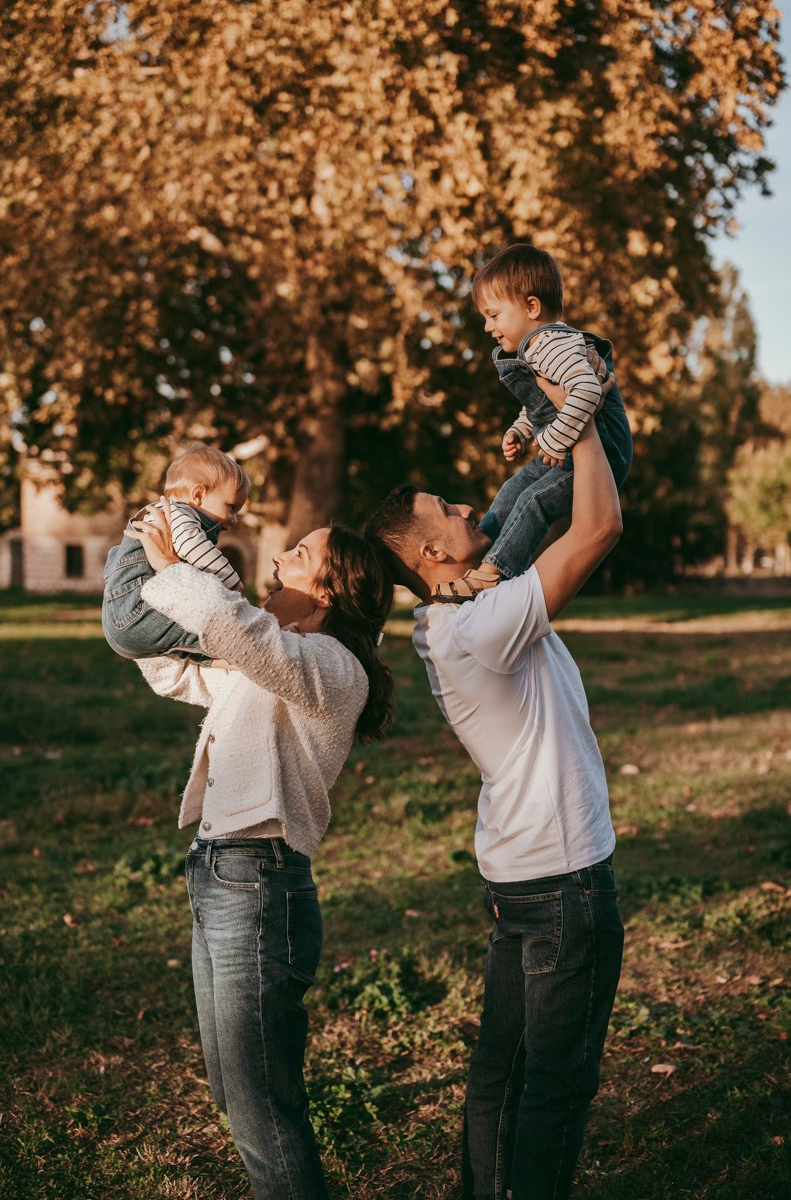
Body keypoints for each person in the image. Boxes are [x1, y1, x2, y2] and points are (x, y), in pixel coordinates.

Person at [364, 406, 625, 1200]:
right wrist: (579, 419)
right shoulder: (479, 625)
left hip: (522, 875)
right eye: (449, 509)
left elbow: (524, 520)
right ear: (433, 551)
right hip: (564, 877)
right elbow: (599, 528)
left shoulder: (448, 621)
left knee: (500, 1070)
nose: (469, 507)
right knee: (557, 1080)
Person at [128, 499, 394, 1200]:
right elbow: (173, 670)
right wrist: (137, 567)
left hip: (259, 884)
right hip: (218, 875)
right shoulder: (274, 663)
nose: (277, 560)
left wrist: (174, 569)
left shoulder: (335, 670)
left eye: (299, 555)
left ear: (330, 591)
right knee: (232, 1083)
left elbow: (237, 630)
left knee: (262, 1107)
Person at [433, 243, 632, 602]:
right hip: (569, 449)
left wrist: (554, 439)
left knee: (534, 500)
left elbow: (587, 390)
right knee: (513, 489)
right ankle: (485, 554)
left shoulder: (552, 345)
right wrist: (522, 430)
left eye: (493, 315)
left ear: (531, 307)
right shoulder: (538, 346)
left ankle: (493, 573)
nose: (486, 326)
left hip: (602, 452)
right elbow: (542, 402)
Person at [102, 443, 250, 661]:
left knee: (218, 639)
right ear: (199, 494)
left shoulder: (177, 516)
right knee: (227, 634)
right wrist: (232, 583)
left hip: (126, 618)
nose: (234, 519)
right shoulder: (177, 513)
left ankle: (240, 658)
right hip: (135, 613)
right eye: (232, 507)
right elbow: (194, 547)